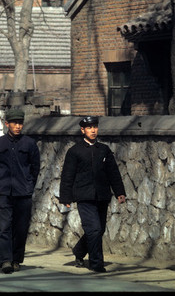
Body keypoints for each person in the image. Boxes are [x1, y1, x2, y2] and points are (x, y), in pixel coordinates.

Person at [59, 116, 126, 273]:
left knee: (99, 230)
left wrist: (119, 192)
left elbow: (113, 172)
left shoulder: (104, 150)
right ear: (83, 130)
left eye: (95, 127)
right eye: (89, 128)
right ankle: (96, 264)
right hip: (84, 196)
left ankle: (79, 251)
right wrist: (66, 197)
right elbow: (67, 176)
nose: (93, 130)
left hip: (102, 196)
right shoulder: (74, 151)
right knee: (94, 229)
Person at [0, 108, 40, 274]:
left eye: (20, 123)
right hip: (3, 192)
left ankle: (16, 259)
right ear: (6, 123)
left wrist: (29, 185)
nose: (18, 126)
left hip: (23, 193)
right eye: (14, 123)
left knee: (20, 228)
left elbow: (35, 167)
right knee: (3, 227)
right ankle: (5, 261)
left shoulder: (29, 144)